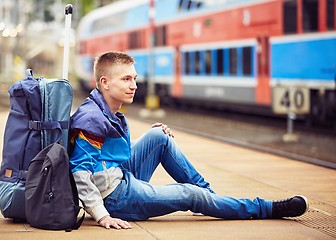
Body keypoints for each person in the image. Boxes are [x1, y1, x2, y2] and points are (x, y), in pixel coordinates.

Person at [68, 51, 308, 230]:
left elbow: (105, 157)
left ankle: (211, 199)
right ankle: (265, 208)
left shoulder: (102, 108)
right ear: (105, 82)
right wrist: (101, 215)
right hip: (116, 198)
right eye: (126, 79)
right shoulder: (92, 119)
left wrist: (146, 138)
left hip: (119, 176)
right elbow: (80, 172)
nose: (134, 86)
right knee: (189, 195)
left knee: (158, 136)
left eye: (134, 78)